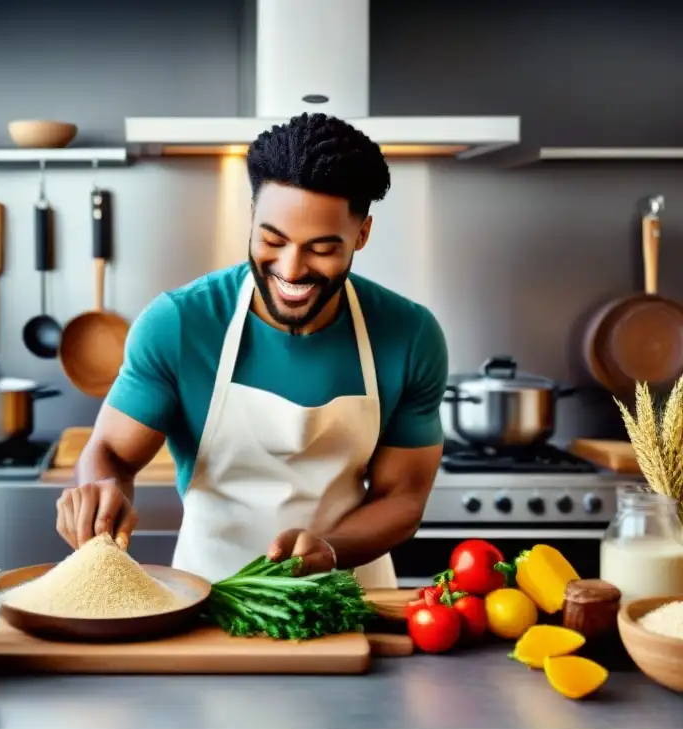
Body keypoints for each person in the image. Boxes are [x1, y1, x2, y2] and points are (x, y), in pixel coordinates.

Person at [55, 113, 448, 588]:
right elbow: (112, 453)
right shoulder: (180, 325)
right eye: (272, 239)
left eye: (321, 248)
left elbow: (403, 497)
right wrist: (101, 492)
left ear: (361, 235)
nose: (291, 268)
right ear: (252, 216)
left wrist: (330, 549)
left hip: (351, 594)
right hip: (208, 597)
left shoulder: (408, 334)